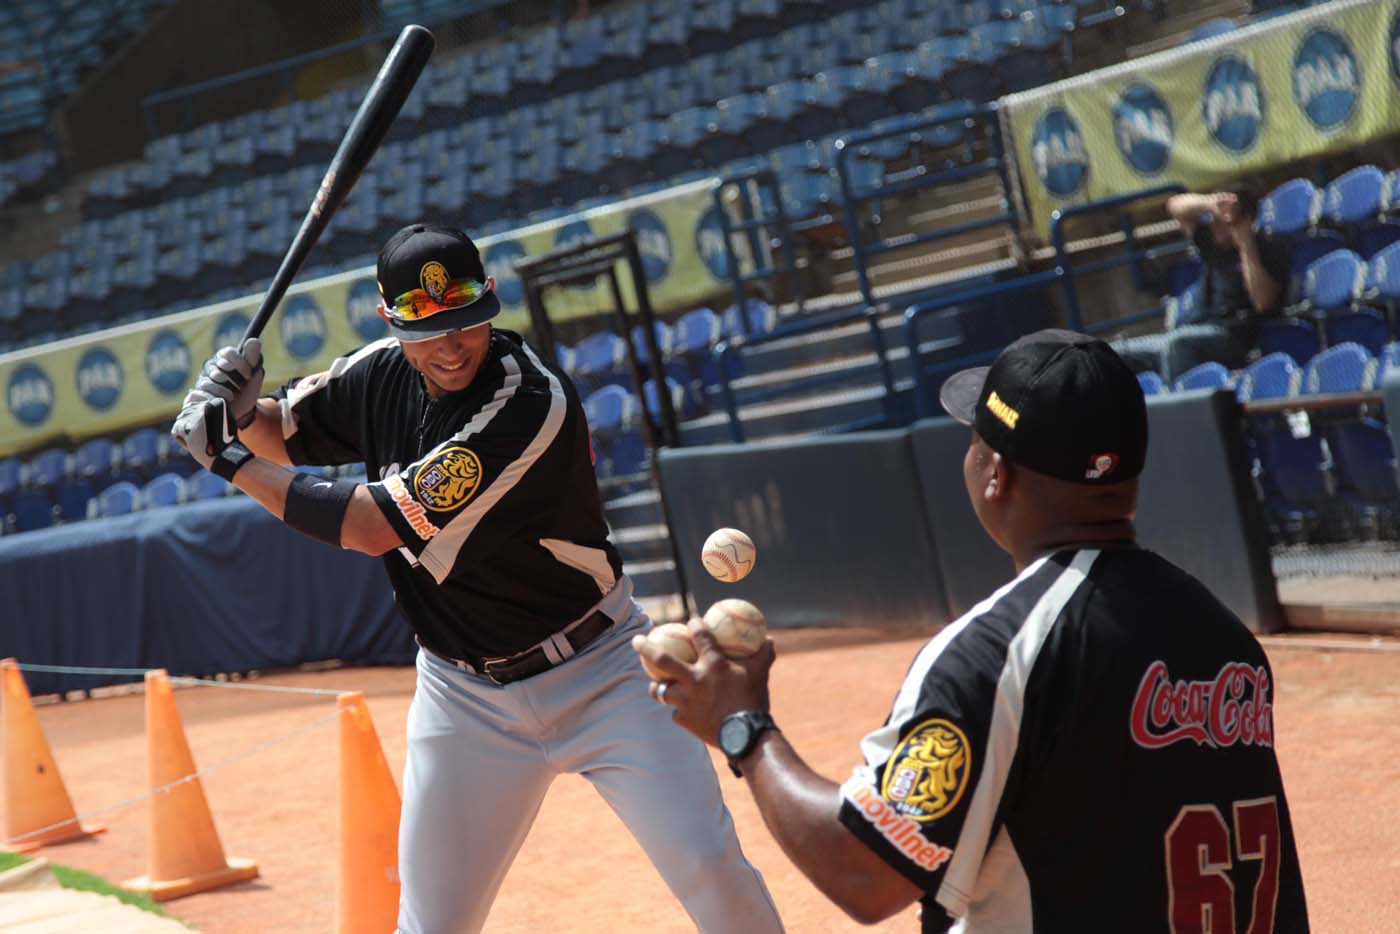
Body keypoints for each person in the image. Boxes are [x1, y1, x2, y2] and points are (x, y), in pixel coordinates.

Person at [171, 223, 783, 934]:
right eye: (428, 330)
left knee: (712, 870)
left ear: (490, 302)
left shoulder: (526, 403)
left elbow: (371, 527)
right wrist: (242, 412)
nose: (453, 345)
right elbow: (283, 430)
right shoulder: (377, 372)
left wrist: (226, 460)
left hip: (604, 673)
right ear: (391, 322)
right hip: (463, 698)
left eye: (466, 322)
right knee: (430, 923)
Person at [637, 329, 1309, 931]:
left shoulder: (998, 652)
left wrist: (744, 727)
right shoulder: (1228, 639)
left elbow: (865, 876)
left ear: (996, 473)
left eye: (973, 438)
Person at [1117, 185, 1291, 382]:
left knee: (1177, 345)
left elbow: (1263, 302)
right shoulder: (1214, 246)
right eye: (1215, 217)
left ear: (1248, 219)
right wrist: (1209, 203)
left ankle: (1174, 409)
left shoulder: (1267, 250)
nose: (1216, 223)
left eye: (1225, 218)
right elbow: (1175, 206)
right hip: (1193, 329)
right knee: (1114, 353)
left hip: (1231, 336)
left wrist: (1246, 246)